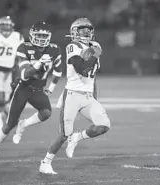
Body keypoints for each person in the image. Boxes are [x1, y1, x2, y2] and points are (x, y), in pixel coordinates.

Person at [39, 18, 111, 174]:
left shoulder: (95, 46)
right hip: (72, 95)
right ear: (74, 32)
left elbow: (92, 77)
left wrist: (94, 98)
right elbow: (81, 69)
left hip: (87, 96)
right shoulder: (73, 46)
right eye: (82, 30)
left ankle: (78, 137)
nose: (86, 32)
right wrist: (94, 56)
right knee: (64, 133)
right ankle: (45, 162)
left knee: (103, 125)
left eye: (88, 30)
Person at [0, 21, 62, 162]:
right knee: (9, 124)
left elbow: (58, 71)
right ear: (32, 35)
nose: (41, 39)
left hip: (38, 89)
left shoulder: (54, 49)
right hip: (23, 88)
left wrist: (51, 87)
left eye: (44, 36)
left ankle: (24, 124)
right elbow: (24, 75)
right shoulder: (24, 47)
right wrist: (39, 64)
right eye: (38, 35)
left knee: (46, 113)